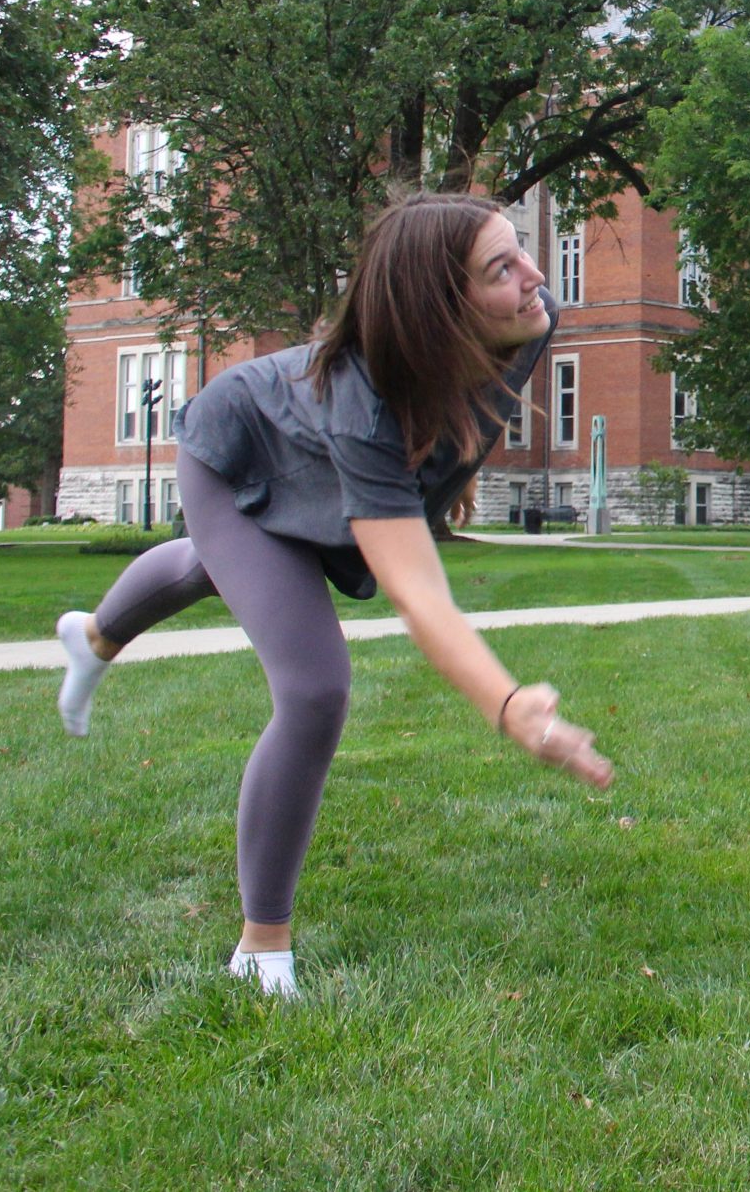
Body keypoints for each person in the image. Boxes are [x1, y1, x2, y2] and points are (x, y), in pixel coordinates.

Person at [50, 192, 614, 999]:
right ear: (439, 313)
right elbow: (420, 598)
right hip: (239, 443)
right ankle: (261, 951)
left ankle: (94, 636)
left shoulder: (531, 318)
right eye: (503, 267)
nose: (536, 278)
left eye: (521, 251)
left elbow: (474, 406)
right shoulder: (365, 412)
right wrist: (509, 703)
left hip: (317, 461)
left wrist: (452, 476)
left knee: (224, 567)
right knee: (315, 685)